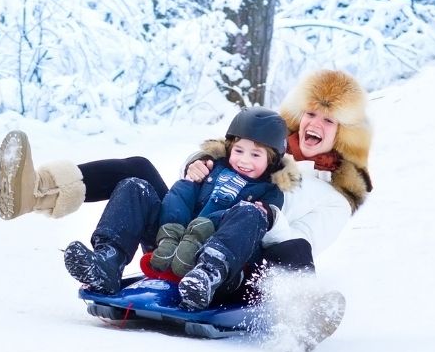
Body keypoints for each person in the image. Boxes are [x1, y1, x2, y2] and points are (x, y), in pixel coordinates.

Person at [0, 69, 371, 347]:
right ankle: (40, 193)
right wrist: (201, 167)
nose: (315, 124)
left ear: (345, 135)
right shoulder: (255, 148)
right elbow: (192, 195)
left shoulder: (333, 198)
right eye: (311, 113)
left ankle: (304, 316)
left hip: (237, 265)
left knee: (293, 247)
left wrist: (266, 215)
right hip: (180, 243)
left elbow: (298, 244)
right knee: (139, 173)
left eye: (329, 119)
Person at [59, 107, 296, 310]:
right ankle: (107, 261)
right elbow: (179, 197)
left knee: (250, 213)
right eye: (239, 151)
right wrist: (173, 224)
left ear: (273, 160)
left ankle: (206, 277)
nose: (244, 160)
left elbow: (254, 231)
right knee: (135, 187)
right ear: (229, 147)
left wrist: (213, 227)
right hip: (169, 243)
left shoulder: (270, 193)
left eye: (256, 154)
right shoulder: (209, 168)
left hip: (215, 260)